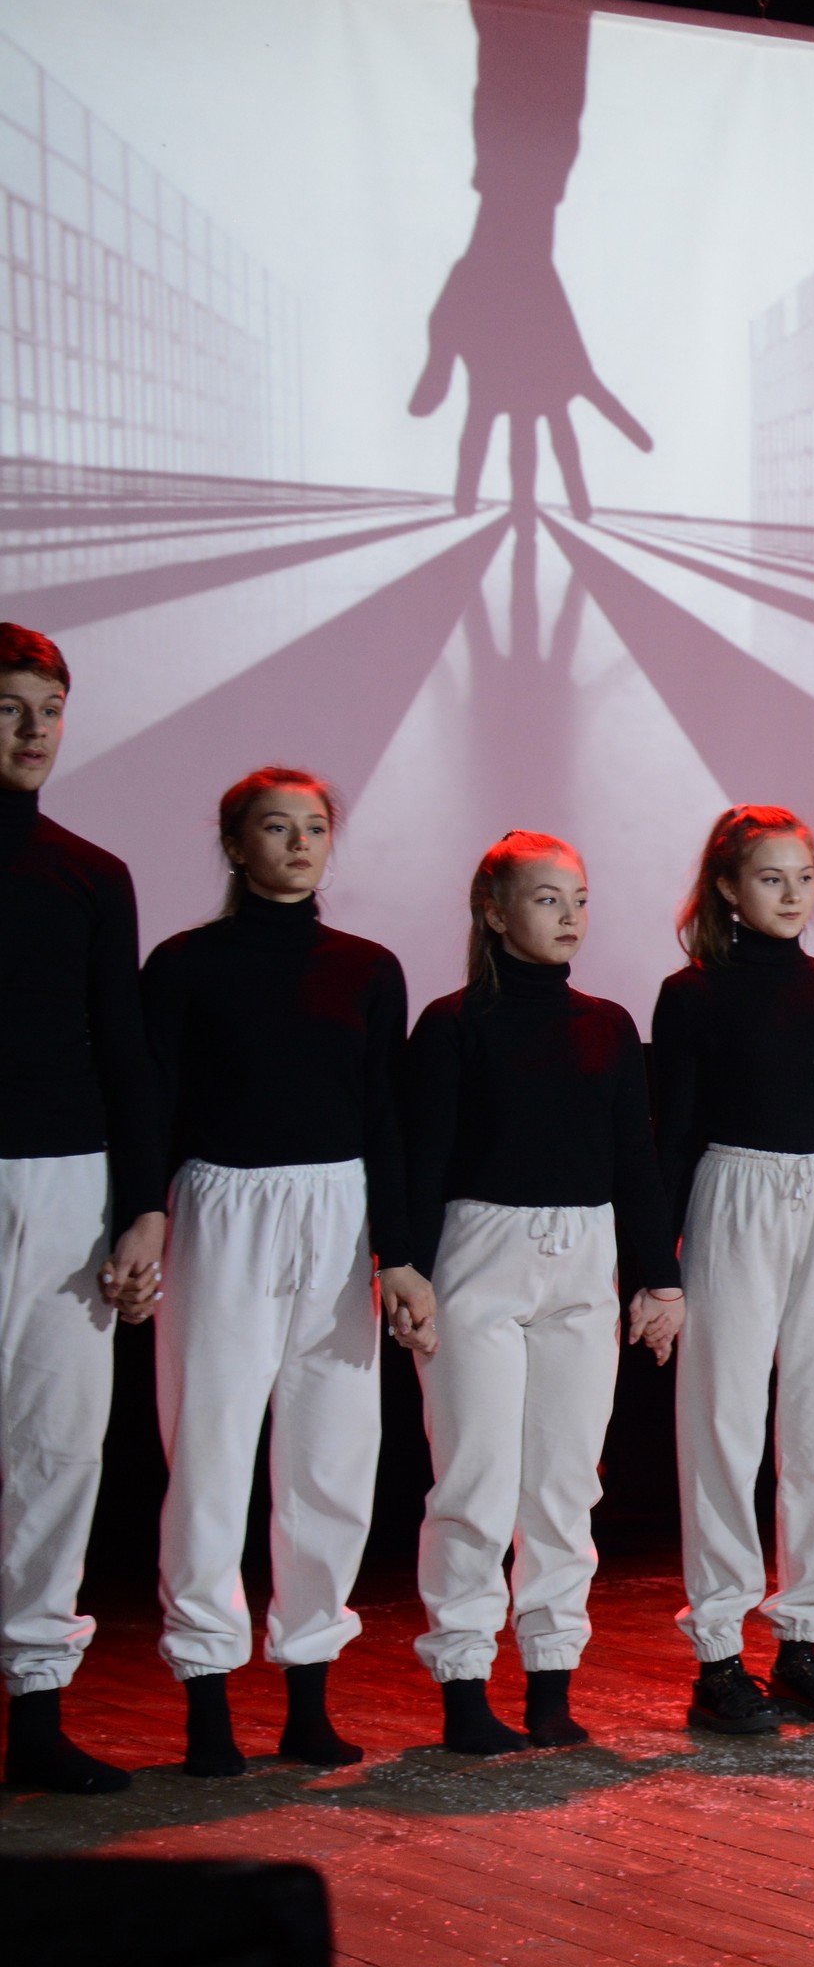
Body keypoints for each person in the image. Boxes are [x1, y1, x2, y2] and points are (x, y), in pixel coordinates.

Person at [141, 768, 427, 1777]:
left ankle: (309, 1693)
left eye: (314, 827)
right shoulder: (184, 965)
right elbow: (154, 1101)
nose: (300, 844)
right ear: (235, 844)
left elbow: (385, 1115)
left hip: (339, 1214)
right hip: (222, 1208)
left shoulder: (367, 968)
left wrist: (399, 1254)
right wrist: (141, 1217)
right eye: (277, 826)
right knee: (210, 1451)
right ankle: (207, 1700)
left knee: (332, 1458)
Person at [404, 831, 679, 1755]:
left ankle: (552, 1679)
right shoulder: (452, 1024)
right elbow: (424, 1158)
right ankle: (464, 1683)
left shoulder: (606, 1024)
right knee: (476, 1478)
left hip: (583, 1255)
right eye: (547, 899)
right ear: (494, 911)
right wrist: (405, 1266)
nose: (569, 917)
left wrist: (661, 1277)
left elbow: (635, 1159)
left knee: (565, 1481)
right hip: (478, 1253)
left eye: (579, 899)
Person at [652, 807, 814, 1734]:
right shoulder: (692, 994)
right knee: (724, 1422)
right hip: (734, 1193)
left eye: (803, 877)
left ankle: (802, 1641)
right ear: (727, 887)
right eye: (770, 878)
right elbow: (672, 1136)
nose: (792, 895)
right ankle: (718, 1650)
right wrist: (657, 1268)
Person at [0, 625, 166, 1795]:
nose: (33, 730)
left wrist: (143, 1206)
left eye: (48, 709)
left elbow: (127, 1052)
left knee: (58, 1447)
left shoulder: (92, 872)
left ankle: (38, 1712)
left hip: (68, 1185)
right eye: (9, 706)